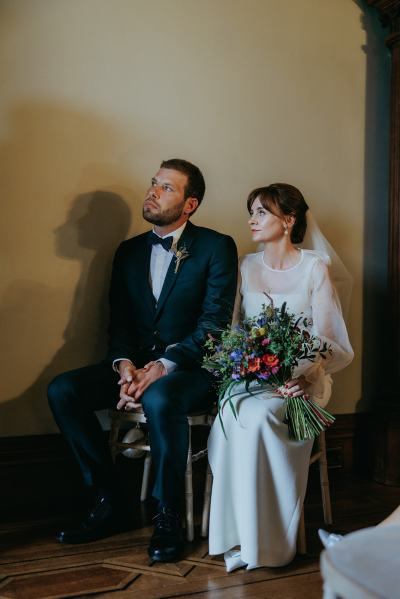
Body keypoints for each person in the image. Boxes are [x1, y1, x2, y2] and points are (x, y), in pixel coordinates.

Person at [48, 158, 238, 562]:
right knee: (64, 390)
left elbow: (214, 326)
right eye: (154, 183)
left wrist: (162, 367)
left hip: (191, 370)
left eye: (167, 188)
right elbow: (118, 325)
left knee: (160, 398)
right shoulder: (129, 251)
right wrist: (124, 367)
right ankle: (108, 499)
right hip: (135, 366)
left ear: (190, 204)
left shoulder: (215, 246)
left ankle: (168, 514)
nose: (153, 191)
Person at [207, 183, 354, 571]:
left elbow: (327, 337)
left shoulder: (314, 267)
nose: (252, 220)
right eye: (251, 211)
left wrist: (305, 376)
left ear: (288, 220)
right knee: (232, 412)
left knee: (258, 418)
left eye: (262, 212)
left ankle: (267, 544)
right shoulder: (246, 266)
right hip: (253, 376)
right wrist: (241, 364)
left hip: (304, 377)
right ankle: (237, 535)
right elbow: (236, 329)